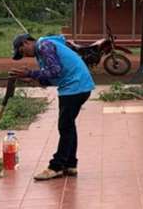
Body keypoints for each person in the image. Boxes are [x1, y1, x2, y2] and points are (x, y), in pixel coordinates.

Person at [10, 33, 95, 181]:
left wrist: (31, 73)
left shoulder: (44, 46)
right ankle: (70, 164)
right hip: (78, 86)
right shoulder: (45, 48)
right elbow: (54, 75)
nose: (26, 56)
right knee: (68, 126)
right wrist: (33, 78)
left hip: (75, 87)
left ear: (25, 43)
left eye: (23, 52)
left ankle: (56, 167)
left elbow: (56, 70)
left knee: (65, 127)